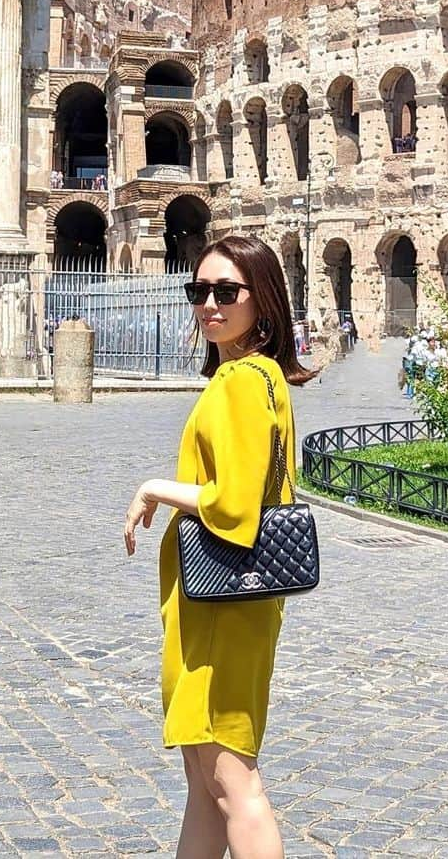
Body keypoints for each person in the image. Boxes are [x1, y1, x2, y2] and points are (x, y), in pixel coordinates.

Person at [124, 234, 316, 858]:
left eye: (226, 291)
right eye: (198, 291)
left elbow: (233, 505)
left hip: (223, 605)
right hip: (232, 601)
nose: (209, 304)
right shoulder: (263, 378)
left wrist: (157, 487)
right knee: (206, 785)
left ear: (261, 300)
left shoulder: (238, 381)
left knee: (233, 782)